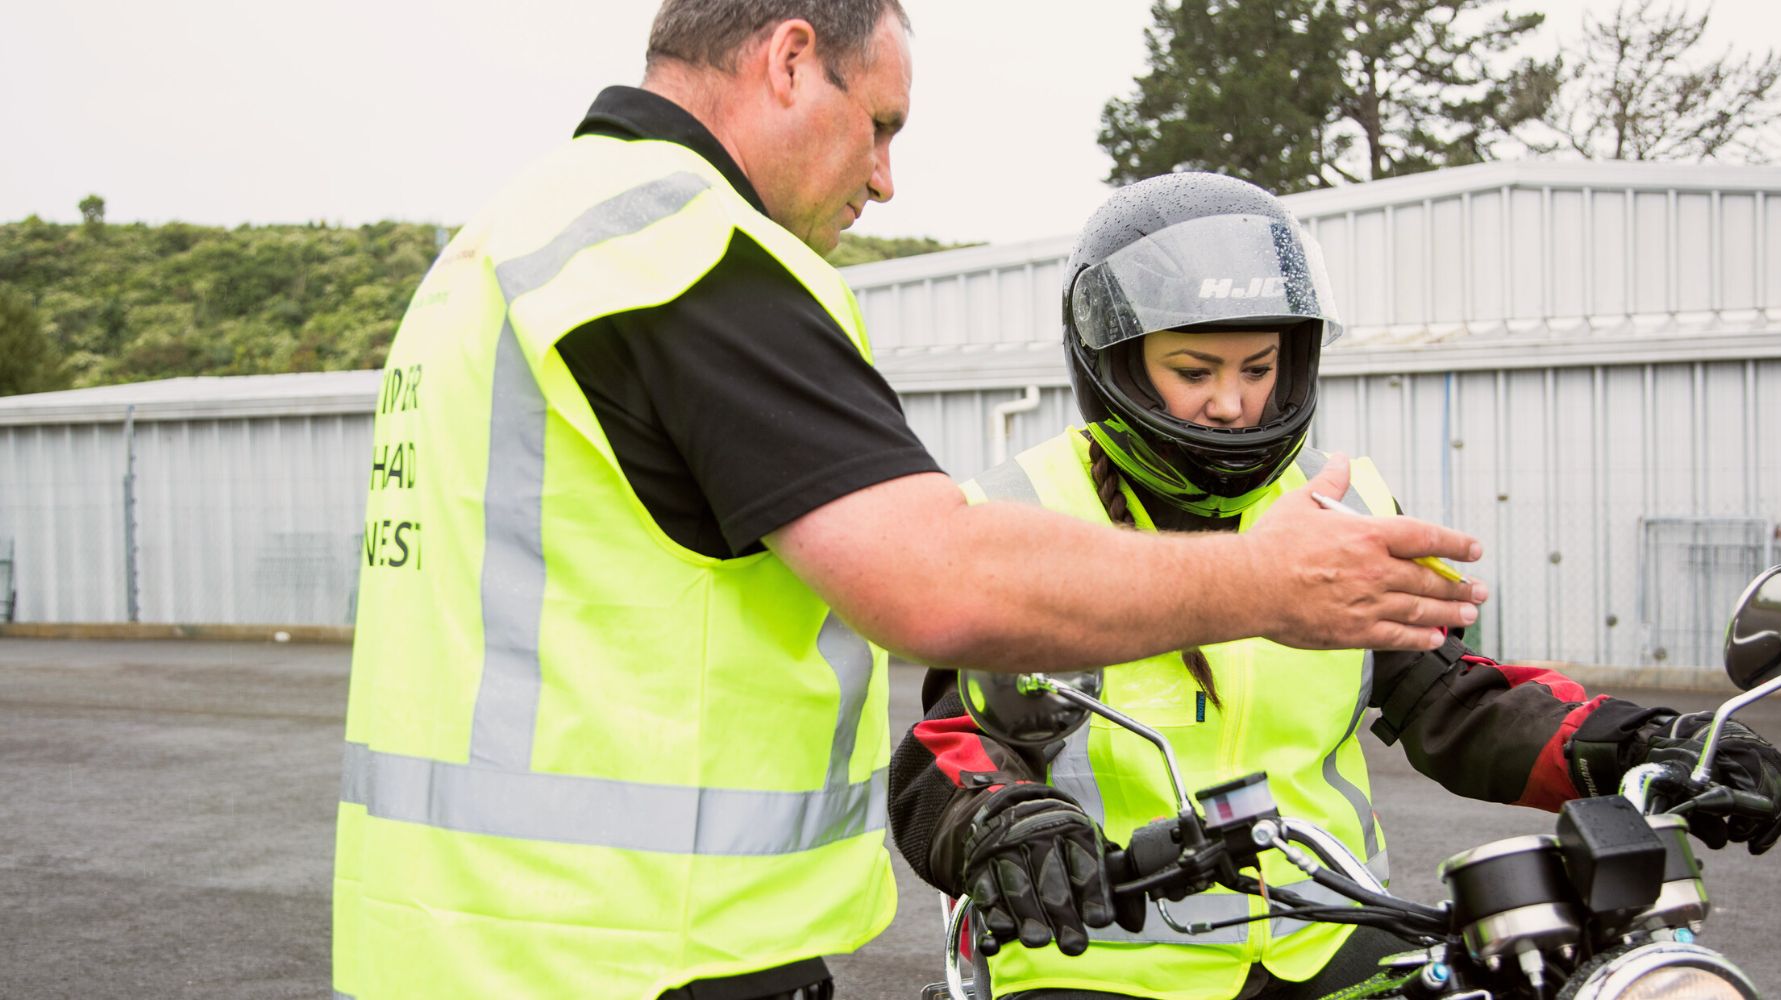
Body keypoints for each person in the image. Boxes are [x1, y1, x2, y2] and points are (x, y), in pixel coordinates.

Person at [330, 4, 1492, 1000]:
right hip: (635, 950)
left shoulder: (503, 246)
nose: (884, 177)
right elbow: (931, 578)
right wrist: (1262, 581)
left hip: (445, 940)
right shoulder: (682, 254)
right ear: (790, 60)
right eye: (879, 124)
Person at [887, 172, 1781, 1000]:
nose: (1232, 402)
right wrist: (1008, 822)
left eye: (1259, 367)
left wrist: (1644, 742)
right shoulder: (1016, 511)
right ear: (1116, 362)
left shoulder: (1348, 507)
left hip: (1331, 938)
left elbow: (1451, 696)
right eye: (1194, 370)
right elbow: (948, 747)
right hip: (1101, 953)